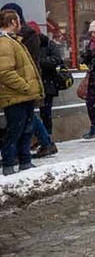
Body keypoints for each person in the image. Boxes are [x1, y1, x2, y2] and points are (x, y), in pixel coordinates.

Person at [1, 9, 44, 175]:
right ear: (13, 22)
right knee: (15, 130)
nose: (21, 23)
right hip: (15, 96)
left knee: (26, 128)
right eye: (18, 20)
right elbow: (4, 72)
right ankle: (8, 164)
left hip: (22, 95)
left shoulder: (13, 41)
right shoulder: (4, 43)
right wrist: (24, 86)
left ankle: (25, 161)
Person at [34, 24, 62, 157]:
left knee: (46, 112)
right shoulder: (29, 45)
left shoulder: (49, 44)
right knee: (34, 113)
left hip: (48, 84)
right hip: (36, 83)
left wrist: (40, 63)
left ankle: (47, 138)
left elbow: (57, 60)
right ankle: (41, 139)